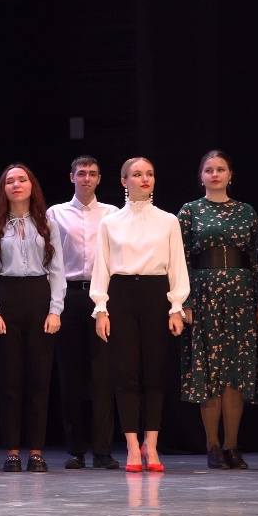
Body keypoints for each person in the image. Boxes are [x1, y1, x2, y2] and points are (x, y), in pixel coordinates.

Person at [91, 157, 188, 473]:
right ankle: (132, 445)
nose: (144, 179)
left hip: (156, 294)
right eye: (136, 174)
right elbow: (102, 266)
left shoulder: (168, 221)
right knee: (126, 373)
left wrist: (176, 306)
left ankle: (152, 444)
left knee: (155, 372)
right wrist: (101, 308)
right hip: (121, 294)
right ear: (124, 181)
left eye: (149, 174)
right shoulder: (110, 222)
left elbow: (177, 266)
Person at [177, 151, 258, 471]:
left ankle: (232, 445)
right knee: (210, 370)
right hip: (204, 294)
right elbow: (180, 259)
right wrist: (185, 301)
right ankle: (212, 446)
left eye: (221, 169)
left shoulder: (246, 211)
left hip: (241, 295)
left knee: (236, 371)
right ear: (200, 176)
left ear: (230, 174)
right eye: (209, 170)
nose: (215, 174)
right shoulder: (190, 211)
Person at [0, 164, 65, 472]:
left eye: (22, 179)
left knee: (39, 381)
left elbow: (57, 270)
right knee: (9, 382)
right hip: (7, 298)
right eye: (10, 181)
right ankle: (12, 451)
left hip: (39, 298)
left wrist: (55, 309)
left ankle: (36, 452)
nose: (16, 185)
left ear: (31, 185)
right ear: (3, 188)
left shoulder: (48, 224)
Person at [47, 156, 120, 469]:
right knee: (71, 376)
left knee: (103, 375)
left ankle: (102, 450)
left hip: (102, 297)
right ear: (72, 177)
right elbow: (49, 258)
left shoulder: (113, 214)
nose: (86, 178)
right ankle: (75, 449)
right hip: (69, 296)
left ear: (99, 178)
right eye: (81, 173)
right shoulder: (55, 213)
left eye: (92, 174)